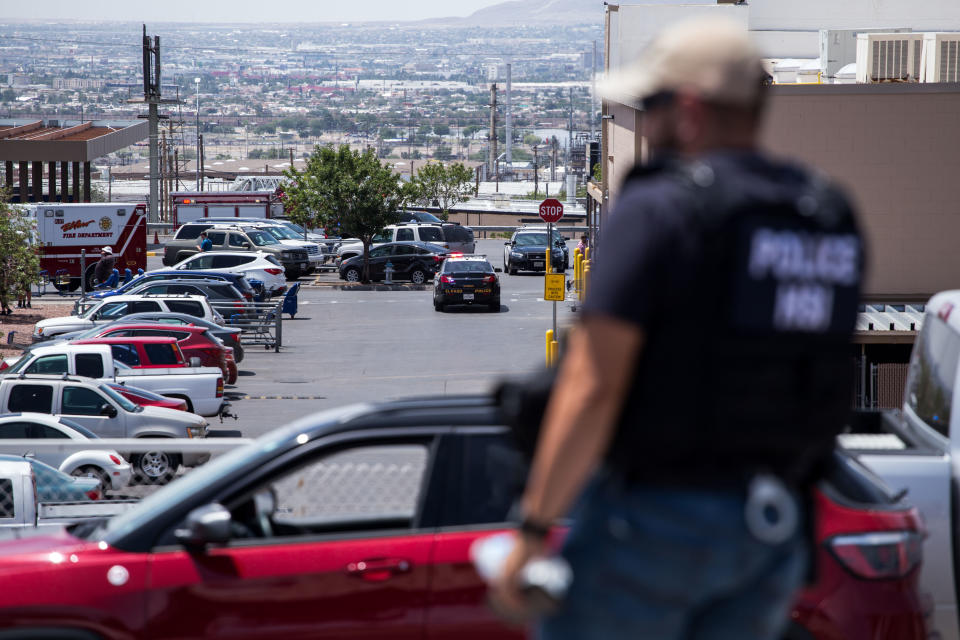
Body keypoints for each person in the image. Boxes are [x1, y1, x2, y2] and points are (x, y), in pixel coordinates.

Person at [492, 16, 864, 640]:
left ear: (687, 107)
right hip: (773, 529)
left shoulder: (663, 208)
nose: (646, 118)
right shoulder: (825, 214)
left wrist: (532, 533)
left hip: (656, 522)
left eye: (652, 102)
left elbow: (592, 385)